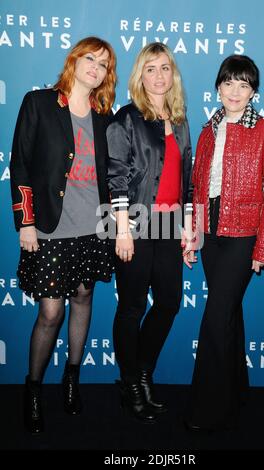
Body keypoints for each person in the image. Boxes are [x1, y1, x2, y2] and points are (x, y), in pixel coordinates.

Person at [10, 36, 117, 433]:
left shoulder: (105, 116)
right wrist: (26, 220)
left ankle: (72, 378)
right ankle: (33, 388)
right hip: (51, 227)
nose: (95, 67)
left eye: (103, 64)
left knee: (84, 296)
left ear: (108, 75)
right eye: (90, 58)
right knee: (51, 311)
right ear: (74, 60)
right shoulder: (37, 103)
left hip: (93, 227)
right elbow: (20, 164)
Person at [185, 54, 264, 432]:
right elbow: (197, 188)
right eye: (229, 83)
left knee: (215, 317)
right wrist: (193, 239)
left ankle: (208, 408)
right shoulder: (207, 130)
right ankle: (236, 393)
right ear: (218, 87)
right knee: (228, 316)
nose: (235, 91)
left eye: (243, 85)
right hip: (211, 234)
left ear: (253, 92)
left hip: (244, 237)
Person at [106, 42, 194, 423]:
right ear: (139, 77)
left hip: (170, 226)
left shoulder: (181, 118)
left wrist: (191, 230)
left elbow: (188, 182)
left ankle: (141, 373)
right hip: (134, 225)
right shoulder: (126, 118)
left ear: (172, 74)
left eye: (165, 68)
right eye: (150, 69)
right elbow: (117, 177)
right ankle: (130, 382)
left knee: (170, 301)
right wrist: (121, 231)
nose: (159, 76)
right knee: (131, 307)